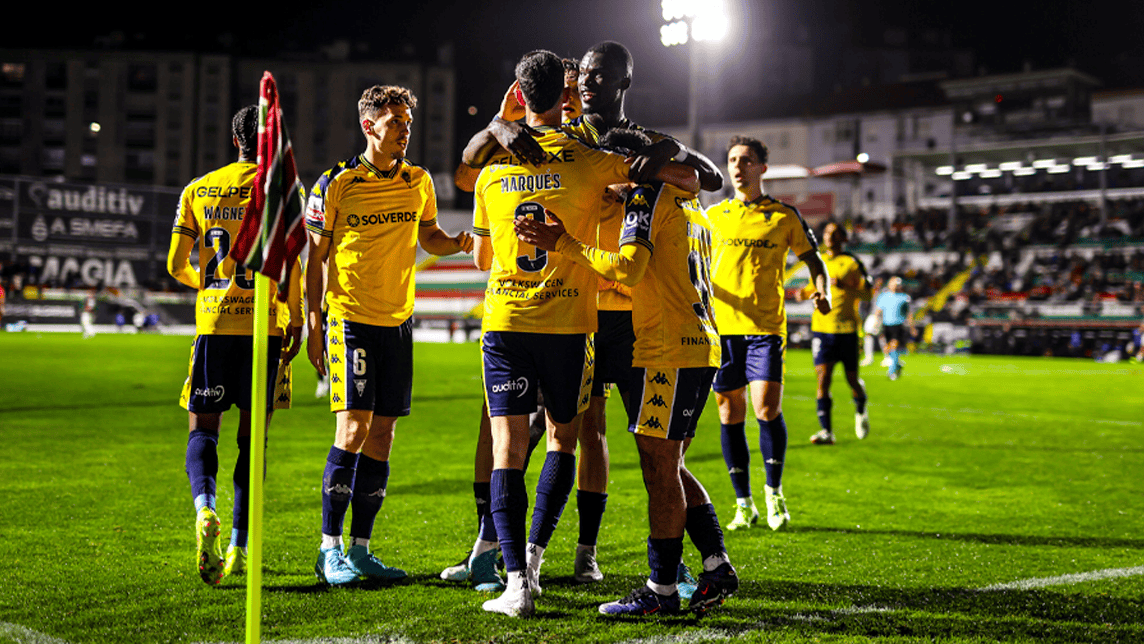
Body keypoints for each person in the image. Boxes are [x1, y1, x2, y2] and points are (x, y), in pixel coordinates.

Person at [471, 50, 698, 617]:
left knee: (507, 448)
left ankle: (518, 579)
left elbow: (478, 254)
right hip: (576, 322)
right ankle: (598, 557)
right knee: (574, 441)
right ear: (564, 93)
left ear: (520, 97)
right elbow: (687, 177)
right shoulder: (592, 159)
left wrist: (503, 127)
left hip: (508, 321)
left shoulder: (493, 172)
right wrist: (654, 164)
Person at [515, 127, 739, 617]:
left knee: (659, 468)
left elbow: (628, 269)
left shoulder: (648, 195)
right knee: (671, 463)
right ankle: (717, 564)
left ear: (629, 161)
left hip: (666, 350)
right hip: (698, 344)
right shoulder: (689, 197)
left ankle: (660, 591)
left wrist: (565, 243)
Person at [305, 84, 473, 586]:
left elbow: (429, 236)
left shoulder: (418, 181)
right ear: (369, 125)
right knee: (353, 428)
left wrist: (459, 243)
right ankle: (328, 549)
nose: (404, 130)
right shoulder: (336, 183)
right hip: (349, 320)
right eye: (395, 121)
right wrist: (314, 325)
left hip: (398, 323)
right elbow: (314, 260)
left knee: (383, 434)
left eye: (407, 121)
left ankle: (360, 550)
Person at [167, 105, 304, 586]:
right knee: (254, 441)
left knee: (202, 431)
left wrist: (209, 287)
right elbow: (291, 262)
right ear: (269, 143)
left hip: (214, 326)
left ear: (234, 141)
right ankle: (241, 547)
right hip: (265, 326)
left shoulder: (198, 189)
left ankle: (205, 509)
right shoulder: (279, 194)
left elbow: (175, 264)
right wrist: (297, 317)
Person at [707, 135, 830, 532]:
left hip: (764, 329)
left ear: (763, 167)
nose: (738, 167)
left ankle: (773, 492)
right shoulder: (714, 216)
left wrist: (821, 289)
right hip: (722, 329)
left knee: (765, 410)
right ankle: (743, 503)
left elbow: (814, 262)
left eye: (746, 160)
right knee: (730, 412)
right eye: (732, 160)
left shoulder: (783, 216)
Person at [797, 223, 873, 445]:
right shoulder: (817, 261)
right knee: (823, 380)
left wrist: (846, 287)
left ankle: (860, 409)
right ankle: (826, 432)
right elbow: (814, 288)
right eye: (827, 233)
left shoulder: (852, 263)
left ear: (843, 237)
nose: (829, 236)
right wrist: (804, 293)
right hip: (822, 329)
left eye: (834, 233)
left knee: (851, 379)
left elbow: (867, 294)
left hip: (847, 330)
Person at [875, 276, 913, 380]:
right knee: (887, 349)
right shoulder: (883, 296)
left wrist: (912, 327)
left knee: (894, 346)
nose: (895, 285)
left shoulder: (904, 297)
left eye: (897, 284)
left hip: (898, 325)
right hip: (886, 324)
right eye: (893, 283)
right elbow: (878, 311)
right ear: (889, 284)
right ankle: (897, 365)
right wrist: (875, 322)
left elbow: (909, 313)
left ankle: (892, 372)